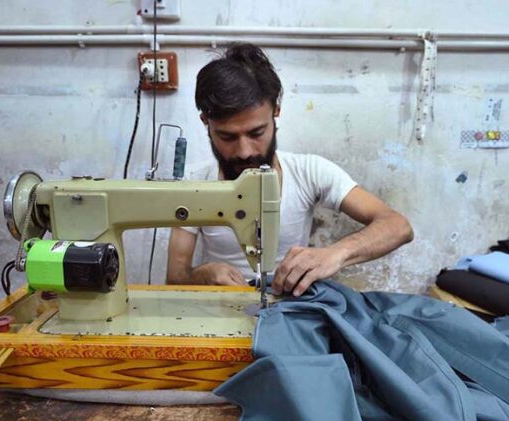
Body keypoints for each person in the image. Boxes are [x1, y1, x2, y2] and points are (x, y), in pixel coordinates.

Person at [167, 43, 413, 297]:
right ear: (205, 122)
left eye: (256, 133)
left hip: (288, 306)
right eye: (227, 137)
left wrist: (335, 254)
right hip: (218, 310)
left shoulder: (309, 171)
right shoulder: (195, 184)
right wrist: (200, 275)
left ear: (276, 111)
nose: (244, 151)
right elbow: (175, 278)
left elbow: (398, 226)